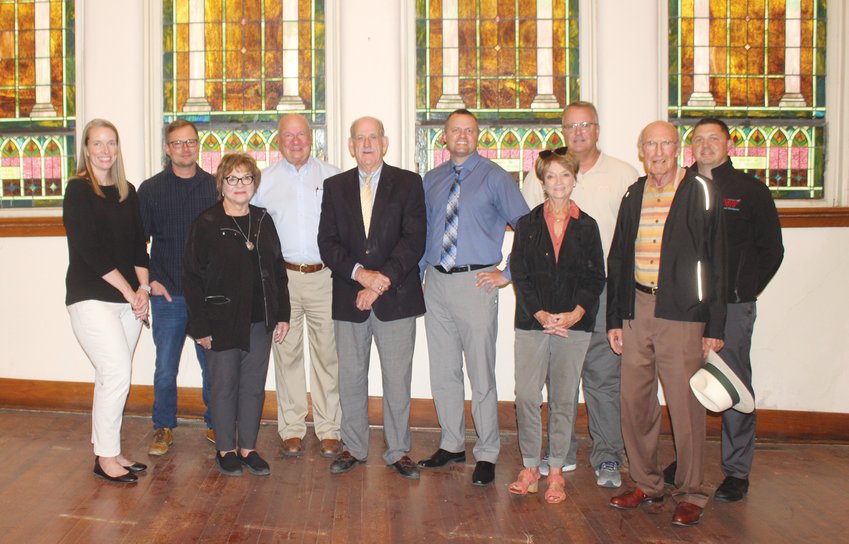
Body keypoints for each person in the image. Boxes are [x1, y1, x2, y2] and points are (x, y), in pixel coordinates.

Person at [606, 121, 726, 527]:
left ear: (679, 148)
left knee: (685, 405)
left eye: (665, 144)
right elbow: (619, 257)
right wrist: (615, 317)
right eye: (650, 144)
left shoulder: (700, 191)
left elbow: (717, 260)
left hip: (682, 313)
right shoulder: (633, 192)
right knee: (635, 401)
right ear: (641, 150)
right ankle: (646, 482)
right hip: (637, 309)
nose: (658, 151)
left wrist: (714, 325)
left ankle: (691, 491)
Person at [663, 118, 784, 502]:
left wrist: (743, 289)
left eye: (713, 138)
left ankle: (736, 470)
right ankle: (688, 460)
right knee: (686, 385)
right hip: (686, 307)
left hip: (732, 307)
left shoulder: (750, 191)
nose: (705, 145)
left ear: (729, 144)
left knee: (732, 384)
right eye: (698, 139)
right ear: (690, 147)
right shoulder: (679, 188)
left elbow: (772, 250)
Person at [522, 101, 637, 487]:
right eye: (571, 126)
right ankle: (562, 453)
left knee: (603, 380)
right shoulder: (539, 175)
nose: (578, 131)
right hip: (552, 297)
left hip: (599, 291)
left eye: (586, 124)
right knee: (560, 380)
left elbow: (630, 239)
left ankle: (607, 456)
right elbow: (527, 237)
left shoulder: (623, 174)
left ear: (598, 128)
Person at [417, 109, 530, 486]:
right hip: (436, 282)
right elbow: (424, 233)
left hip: (476, 284)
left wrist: (507, 274)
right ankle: (451, 443)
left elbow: (529, 229)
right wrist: (419, 277)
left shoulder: (496, 178)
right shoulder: (431, 180)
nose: (462, 136)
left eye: (469, 130)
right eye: (455, 130)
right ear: (444, 138)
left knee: (480, 371)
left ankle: (487, 451)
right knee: (443, 370)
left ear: (476, 136)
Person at [317, 116, 426, 480]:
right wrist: (360, 275)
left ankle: (398, 451)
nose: (366, 144)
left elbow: (414, 240)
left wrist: (380, 281)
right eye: (359, 138)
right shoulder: (333, 187)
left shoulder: (409, 183)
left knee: (397, 379)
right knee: (349, 377)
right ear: (350, 145)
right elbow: (327, 243)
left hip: (397, 297)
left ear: (385, 141)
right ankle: (354, 448)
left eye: (373, 137)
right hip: (349, 296)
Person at [183, 153, 291, 477]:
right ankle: (226, 449)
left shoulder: (262, 220)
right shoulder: (207, 223)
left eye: (246, 178)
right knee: (224, 384)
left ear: (254, 183)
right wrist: (199, 326)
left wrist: (282, 315)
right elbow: (191, 278)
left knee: (253, 386)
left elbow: (277, 271)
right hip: (220, 322)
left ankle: (248, 448)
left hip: (260, 321)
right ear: (222, 183)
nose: (240, 185)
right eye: (233, 178)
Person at [508, 148, 605, 503]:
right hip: (533, 323)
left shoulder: (589, 226)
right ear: (543, 181)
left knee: (564, 400)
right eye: (551, 176)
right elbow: (519, 271)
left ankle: (556, 473)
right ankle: (531, 466)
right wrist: (539, 313)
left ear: (575, 179)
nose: (558, 182)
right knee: (527, 397)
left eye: (565, 175)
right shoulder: (527, 224)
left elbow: (596, 277)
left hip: (573, 326)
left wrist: (576, 313)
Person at [63, 118, 150, 484]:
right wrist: (129, 291)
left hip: (129, 302)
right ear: (86, 149)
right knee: (117, 373)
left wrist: (143, 290)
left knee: (109, 376)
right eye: (97, 143)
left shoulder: (128, 190)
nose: (104, 150)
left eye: (110, 143)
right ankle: (105, 458)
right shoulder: (78, 190)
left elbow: (137, 248)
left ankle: (110, 450)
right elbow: (90, 251)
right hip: (92, 297)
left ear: (117, 148)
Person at [252, 114, 342, 459]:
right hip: (283, 279)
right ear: (278, 141)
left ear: (311, 137)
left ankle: (329, 428)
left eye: (300, 134)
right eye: (287, 135)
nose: (294, 141)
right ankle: (291, 428)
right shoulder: (264, 183)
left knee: (327, 355)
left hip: (324, 277)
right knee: (286, 354)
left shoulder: (333, 176)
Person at [138, 120, 218, 455]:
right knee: (165, 367)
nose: (185, 148)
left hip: (207, 295)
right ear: (167, 149)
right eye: (177, 143)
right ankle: (163, 426)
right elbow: (138, 242)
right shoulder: (151, 189)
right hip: (168, 292)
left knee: (213, 364)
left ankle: (217, 424)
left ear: (198, 146)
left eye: (191, 142)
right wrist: (151, 280)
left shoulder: (215, 187)